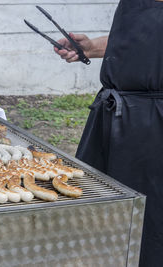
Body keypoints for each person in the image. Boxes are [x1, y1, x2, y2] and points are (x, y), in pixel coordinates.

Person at [54, 1, 163, 266]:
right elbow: (142, 35)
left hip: (152, 122)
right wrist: (93, 47)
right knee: (95, 210)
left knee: (148, 227)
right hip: (111, 113)